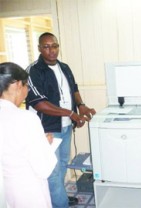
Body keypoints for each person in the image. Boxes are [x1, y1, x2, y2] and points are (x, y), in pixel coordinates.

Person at [26, 32, 96, 208]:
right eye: (46, 46)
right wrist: (71, 114)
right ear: (39, 49)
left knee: (63, 164)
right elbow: (39, 104)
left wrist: (81, 106)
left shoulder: (64, 67)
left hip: (65, 128)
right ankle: (60, 204)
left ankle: (59, 197)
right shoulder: (33, 71)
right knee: (53, 171)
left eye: (54, 46)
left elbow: (74, 89)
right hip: (47, 129)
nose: (51, 50)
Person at [0, 62, 57, 207]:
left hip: (5, 189)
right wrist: (46, 144)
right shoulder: (26, 118)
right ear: (18, 84)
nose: (27, 91)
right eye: (27, 86)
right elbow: (44, 168)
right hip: (28, 190)